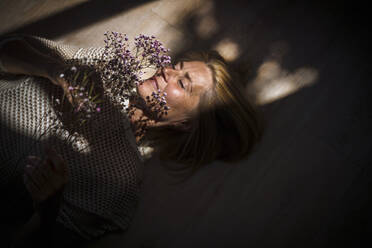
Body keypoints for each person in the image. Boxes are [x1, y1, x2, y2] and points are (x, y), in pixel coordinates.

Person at [0, 34, 262, 246]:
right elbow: (8, 50)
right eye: (176, 66)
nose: (166, 72)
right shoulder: (109, 67)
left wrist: (50, 202)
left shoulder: (120, 176)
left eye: (183, 84)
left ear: (186, 123)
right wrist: (54, 69)